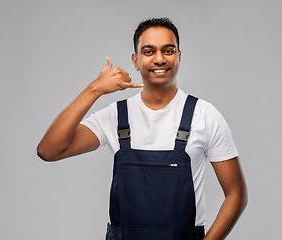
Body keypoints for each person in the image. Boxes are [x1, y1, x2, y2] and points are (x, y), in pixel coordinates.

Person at [37, 17, 247, 240]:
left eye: (168, 50)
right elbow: (48, 150)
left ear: (179, 56)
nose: (159, 59)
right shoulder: (115, 116)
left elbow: (236, 194)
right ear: (135, 61)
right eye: (149, 51)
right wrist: (94, 89)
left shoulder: (205, 116)